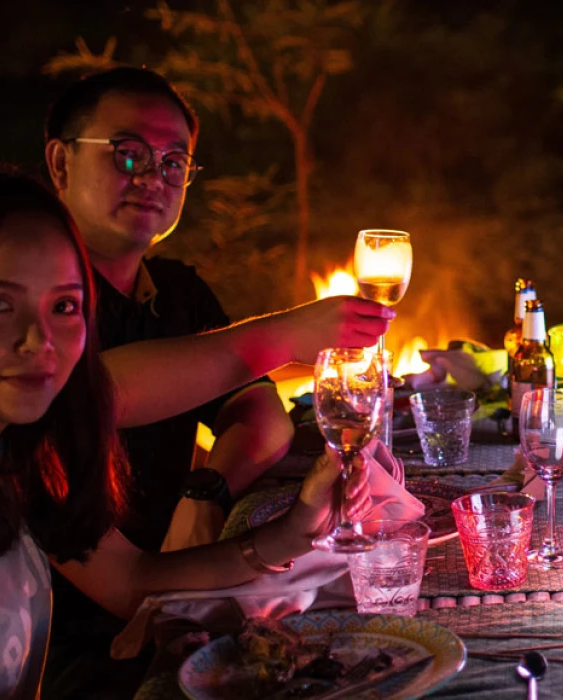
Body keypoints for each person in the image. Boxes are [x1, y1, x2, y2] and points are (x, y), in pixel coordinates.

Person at [0, 171, 366, 698]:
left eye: (64, 306)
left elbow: (132, 582)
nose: (40, 341)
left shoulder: (3, 453)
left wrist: (298, 527)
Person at [38, 66, 397, 697]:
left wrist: (204, 490)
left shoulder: (174, 291)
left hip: (171, 580)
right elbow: (93, 394)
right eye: (129, 155)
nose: (153, 177)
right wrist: (292, 332)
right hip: (68, 641)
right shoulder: (36, 309)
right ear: (61, 164)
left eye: (175, 162)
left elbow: (260, 416)